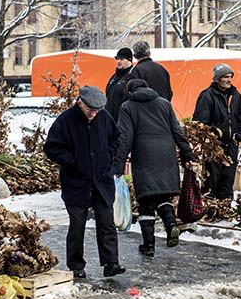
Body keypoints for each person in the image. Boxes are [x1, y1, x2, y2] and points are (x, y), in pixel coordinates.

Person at [44, 86, 126, 279]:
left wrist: (109, 159)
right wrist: (72, 161)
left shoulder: (104, 117)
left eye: (97, 111)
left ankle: (111, 263)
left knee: (107, 223)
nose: (93, 114)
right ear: (80, 102)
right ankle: (76, 265)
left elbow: (117, 138)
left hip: (102, 180)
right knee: (77, 224)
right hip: (76, 183)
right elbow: (51, 147)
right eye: (90, 110)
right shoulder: (65, 120)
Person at [114, 78, 195, 256]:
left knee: (146, 201)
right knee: (163, 195)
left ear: (130, 91)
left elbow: (125, 138)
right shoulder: (164, 104)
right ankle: (171, 224)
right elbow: (177, 130)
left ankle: (149, 246)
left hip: (144, 156)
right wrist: (187, 153)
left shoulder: (128, 107)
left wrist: (118, 165)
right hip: (166, 154)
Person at [193, 63, 241, 200]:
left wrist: (239, 133)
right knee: (212, 182)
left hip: (231, 145)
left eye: (230, 77)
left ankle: (225, 212)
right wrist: (212, 136)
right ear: (217, 79)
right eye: (225, 77)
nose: (229, 80)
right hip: (214, 147)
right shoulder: (207, 96)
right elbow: (199, 123)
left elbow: (240, 117)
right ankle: (210, 211)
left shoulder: (235, 96)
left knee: (227, 181)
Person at [105, 47, 135, 121]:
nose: (118, 61)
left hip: (122, 121)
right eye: (117, 59)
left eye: (122, 59)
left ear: (129, 60)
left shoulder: (132, 76)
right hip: (110, 119)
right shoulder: (114, 76)